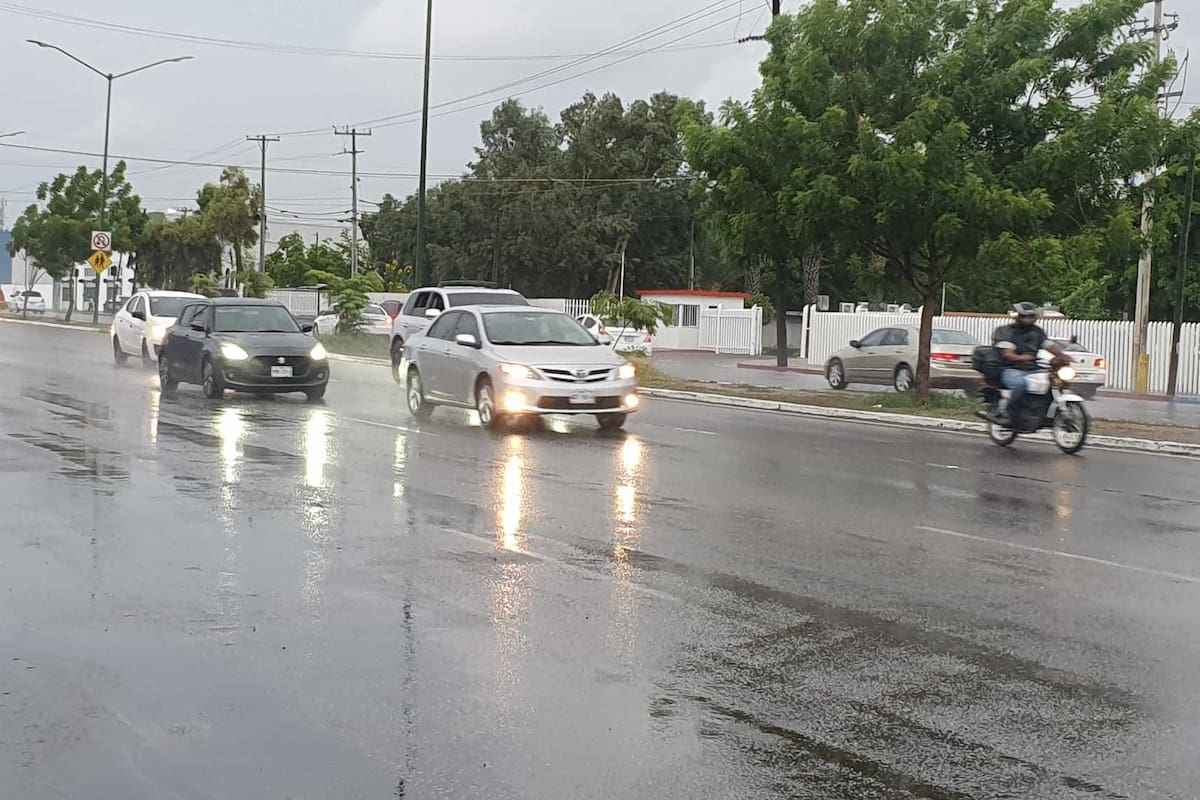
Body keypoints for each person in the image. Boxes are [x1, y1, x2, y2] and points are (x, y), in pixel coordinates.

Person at [991, 302, 1066, 425]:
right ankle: (1009, 415)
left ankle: (1042, 414)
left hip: (1033, 368)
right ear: (1017, 316)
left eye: (1031, 316)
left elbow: (1048, 345)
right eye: (1025, 316)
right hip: (1010, 369)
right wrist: (1019, 357)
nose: (1028, 319)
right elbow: (1007, 353)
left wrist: (1062, 356)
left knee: (1053, 381)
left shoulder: (1037, 332)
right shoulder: (1005, 331)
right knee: (1021, 384)